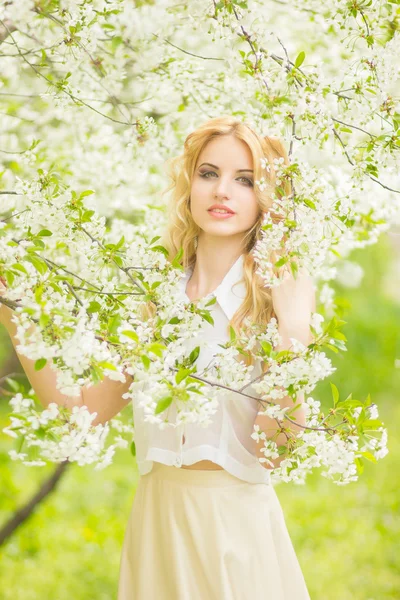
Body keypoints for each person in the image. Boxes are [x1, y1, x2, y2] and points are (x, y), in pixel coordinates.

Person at [0, 115, 315, 599]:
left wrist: (292, 331)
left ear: (266, 196)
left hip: (233, 528)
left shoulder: (275, 297)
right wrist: (12, 309)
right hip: (157, 521)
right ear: (189, 183)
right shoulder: (156, 297)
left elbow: (276, 446)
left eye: (244, 179)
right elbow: (76, 417)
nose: (222, 191)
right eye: (208, 173)